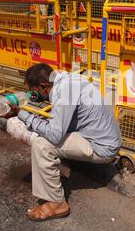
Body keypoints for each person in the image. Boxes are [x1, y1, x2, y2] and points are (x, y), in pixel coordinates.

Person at [9, 63, 122, 222]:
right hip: (107, 139)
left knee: (42, 144)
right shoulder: (67, 79)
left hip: (101, 147)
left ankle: (57, 204)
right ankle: (55, 177)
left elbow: (55, 136)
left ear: (44, 86)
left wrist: (23, 115)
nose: (34, 96)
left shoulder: (63, 94)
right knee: (48, 130)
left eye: (35, 92)